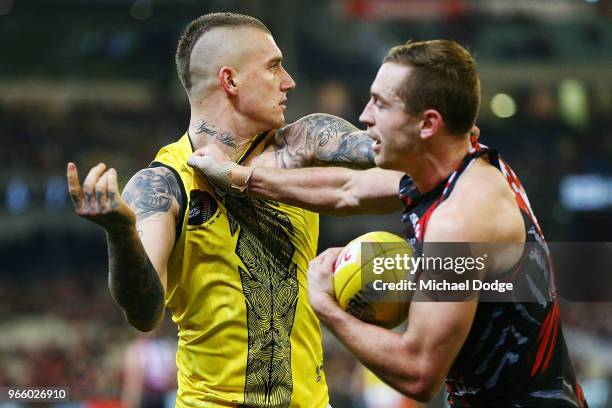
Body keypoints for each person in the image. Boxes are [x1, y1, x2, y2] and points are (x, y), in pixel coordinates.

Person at [191, 40, 588, 407]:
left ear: (428, 124)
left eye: (380, 104)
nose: (364, 116)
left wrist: (326, 306)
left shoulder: (461, 222)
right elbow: (348, 188)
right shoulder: (455, 167)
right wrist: (238, 178)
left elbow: (419, 373)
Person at [66, 12, 376, 408]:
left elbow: (389, 160)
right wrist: (120, 234)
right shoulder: (163, 183)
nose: (289, 82)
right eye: (273, 67)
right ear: (230, 80)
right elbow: (143, 314)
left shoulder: (305, 144)